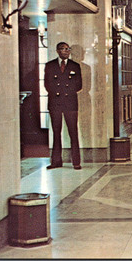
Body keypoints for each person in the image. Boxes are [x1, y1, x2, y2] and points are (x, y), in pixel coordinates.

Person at [44, 42, 83, 170]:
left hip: (70, 103)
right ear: (57, 51)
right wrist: (58, 93)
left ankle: (76, 162)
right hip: (55, 103)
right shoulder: (49, 66)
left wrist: (66, 92)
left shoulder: (75, 66)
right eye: (63, 49)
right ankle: (56, 161)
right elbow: (47, 84)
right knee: (56, 132)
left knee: (73, 132)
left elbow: (79, 85)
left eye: (68, 49)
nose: (66, 51)